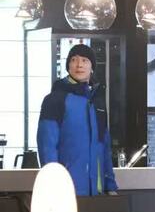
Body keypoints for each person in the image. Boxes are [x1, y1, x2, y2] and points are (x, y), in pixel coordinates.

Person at [37, 44, 118, 196]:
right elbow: (47, 147)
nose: (79, 64)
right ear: (68, 66)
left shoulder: (97, 102)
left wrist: (110, 185)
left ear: (92, 67)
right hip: (66, 192)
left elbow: (104, 147)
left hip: (97, 192)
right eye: (74, 60)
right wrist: (53, 185)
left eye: (85, 60)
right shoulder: (54, 99)